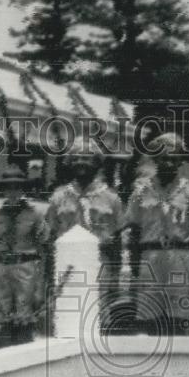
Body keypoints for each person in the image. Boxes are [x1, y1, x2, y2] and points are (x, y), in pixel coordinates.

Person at [125, 133, 189, 336]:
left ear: (181, 161)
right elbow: (134, 232)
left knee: (178, 317)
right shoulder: (141, 190)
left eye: (174, 158)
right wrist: (134, 272)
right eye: (164, 157)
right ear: (155, 159)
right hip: (150, 256)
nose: (169, 162)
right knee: (149, 317)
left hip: (179, 256)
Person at [46, 142, 127, 335]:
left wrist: (115, 276)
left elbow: (117, 240)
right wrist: (49, 277)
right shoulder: (58, 197)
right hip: (68, 266)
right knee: (70, 315)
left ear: (97, 163)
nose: (81, 162)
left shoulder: (111, 198)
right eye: (77, 158)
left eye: (87, 158)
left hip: (100, 263)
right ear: (70, 162)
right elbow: (50, 238)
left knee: (99, 316)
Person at [0, 165, 50, 348]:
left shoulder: (35, 215)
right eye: (8, 187)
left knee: (25, 315)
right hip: (2, 268)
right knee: (2, 314)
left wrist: (41, 283)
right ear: (4, 190)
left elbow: (44, 247)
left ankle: (24, 350)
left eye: (17, 187)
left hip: (26, 267)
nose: (13, 192)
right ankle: (3, 351)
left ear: (22, 189)